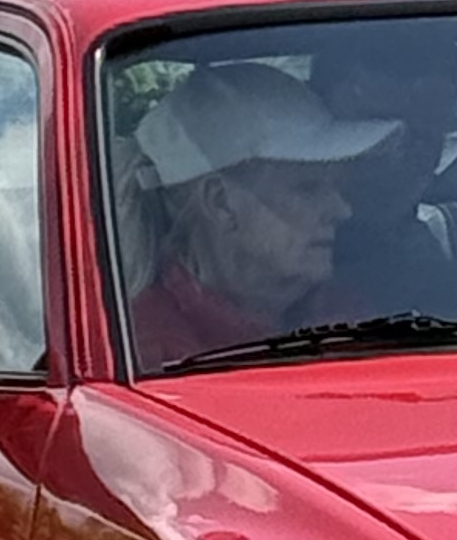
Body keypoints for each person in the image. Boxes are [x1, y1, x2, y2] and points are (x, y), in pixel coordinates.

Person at [124, 64, 391, 367]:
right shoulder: (156, 355)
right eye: (307, 188)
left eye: (337, 187)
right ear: (221, 203)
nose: (342, 210)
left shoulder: (337, 310)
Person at [309, 23, 457, 316]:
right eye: (376, 128)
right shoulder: (275, 265)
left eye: (428, 130)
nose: (403, 153)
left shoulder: (431, 275)